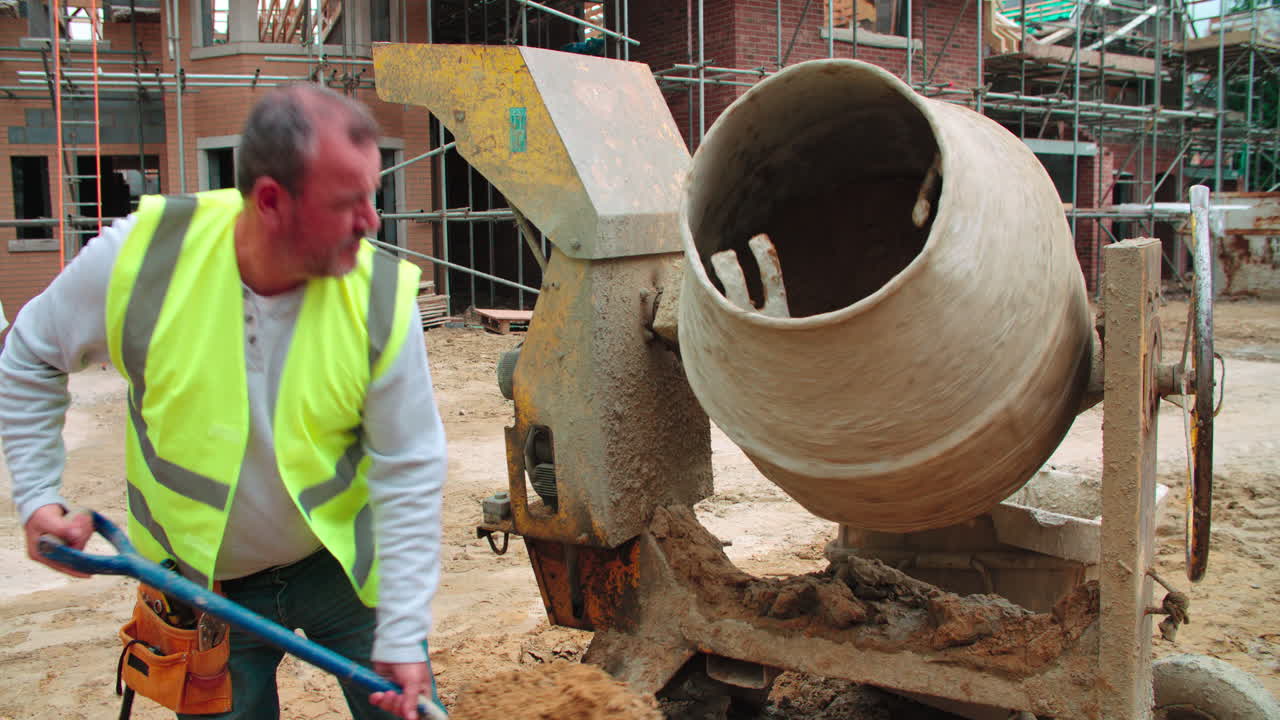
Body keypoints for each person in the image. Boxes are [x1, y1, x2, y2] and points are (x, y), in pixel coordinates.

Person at [0, 84, 446, 720]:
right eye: (348, 203)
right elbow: (28, 355)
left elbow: (410, 465)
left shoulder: (379, 297)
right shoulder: (141, 259)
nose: (372, 222)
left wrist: (401, 631)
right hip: (201, 588)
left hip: (342, 570)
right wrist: (38, 497)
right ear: (270, 201)